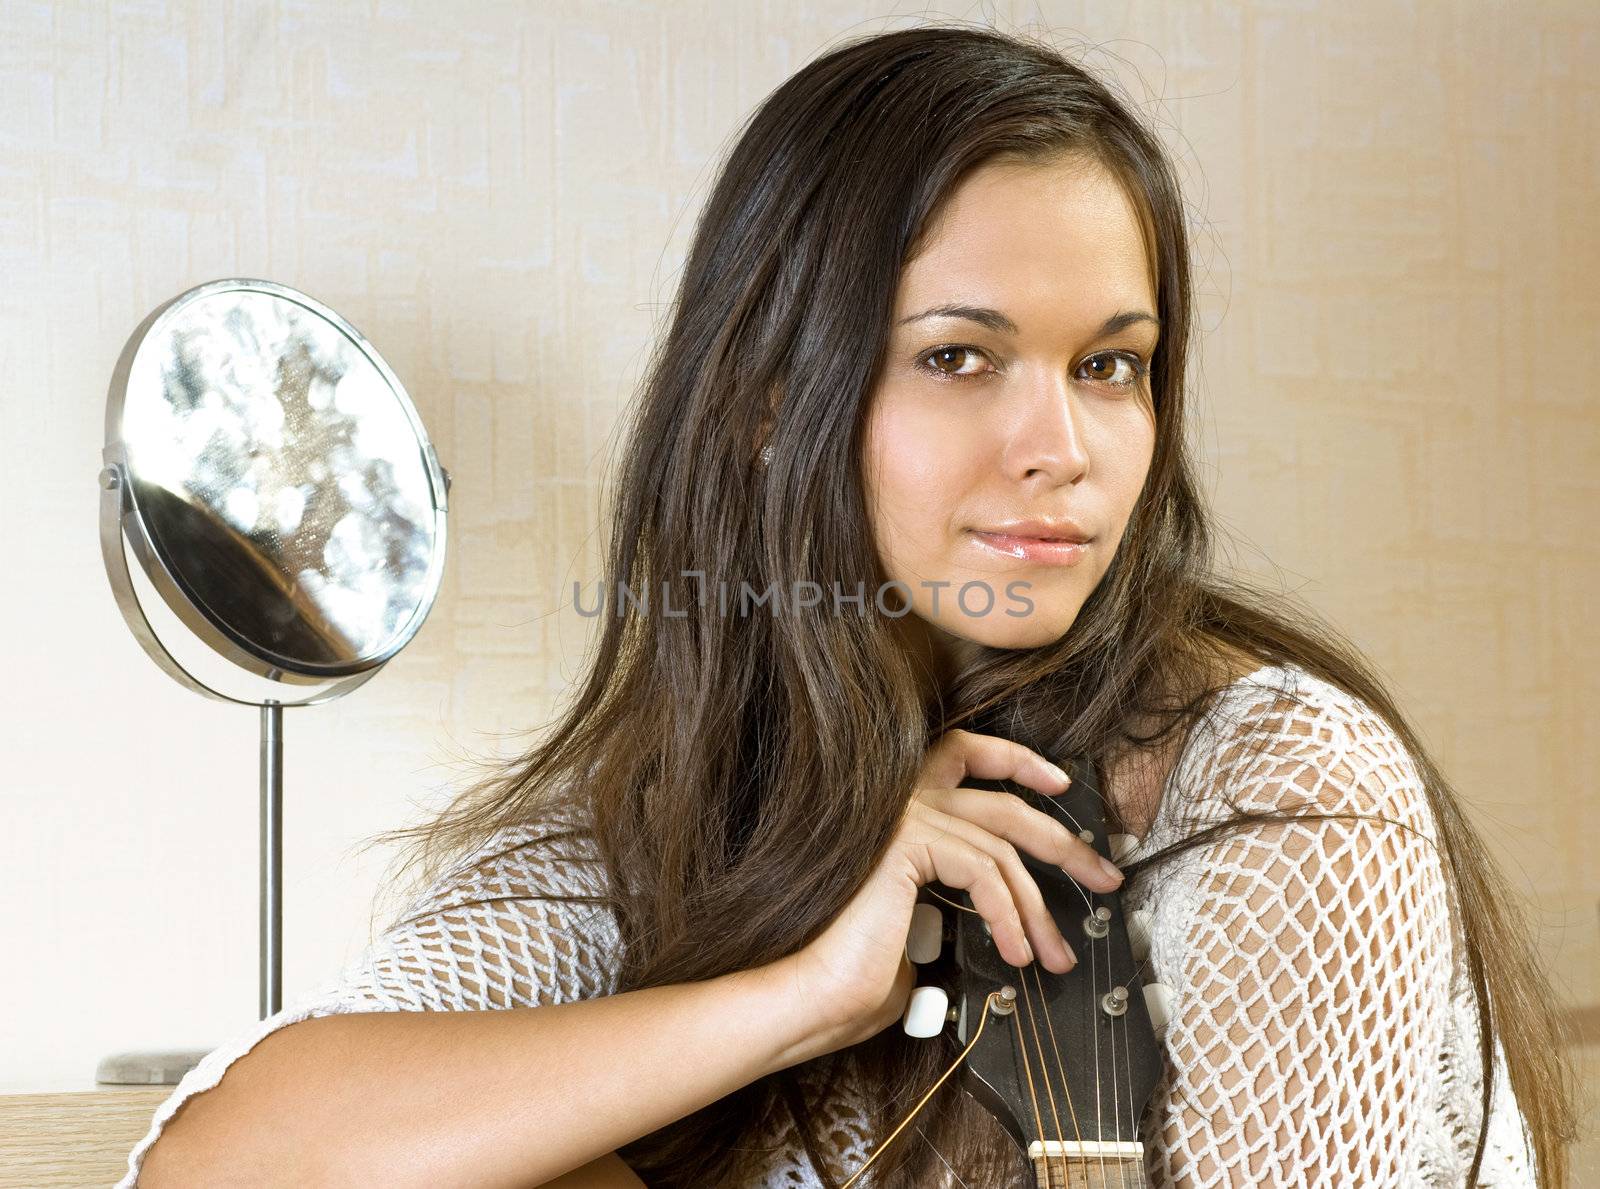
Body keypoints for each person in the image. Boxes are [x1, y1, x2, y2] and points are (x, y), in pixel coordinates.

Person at [124, 21, 1578, 1189]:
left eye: (1109, 365)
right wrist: (806, 990)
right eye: (959, 356)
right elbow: (215, 1163)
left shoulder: (1278, 787)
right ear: (769, 405)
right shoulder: (678, 818)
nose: (1059, 447)